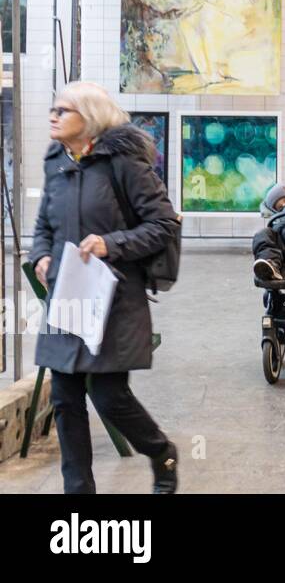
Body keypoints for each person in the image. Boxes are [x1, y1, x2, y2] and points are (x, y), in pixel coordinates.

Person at [30, 82, 182, 494]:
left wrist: (109, 244)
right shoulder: (56, 161)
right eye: (53, 108)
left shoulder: (124, 163)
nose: (54, 115)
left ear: (90, 119)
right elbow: (45, 223)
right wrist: (41, 255)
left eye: (64, 110)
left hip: (114, 298)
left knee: (111, 397)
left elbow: (164, 224)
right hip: (70, 297)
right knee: (64, 397)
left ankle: (161, 451)